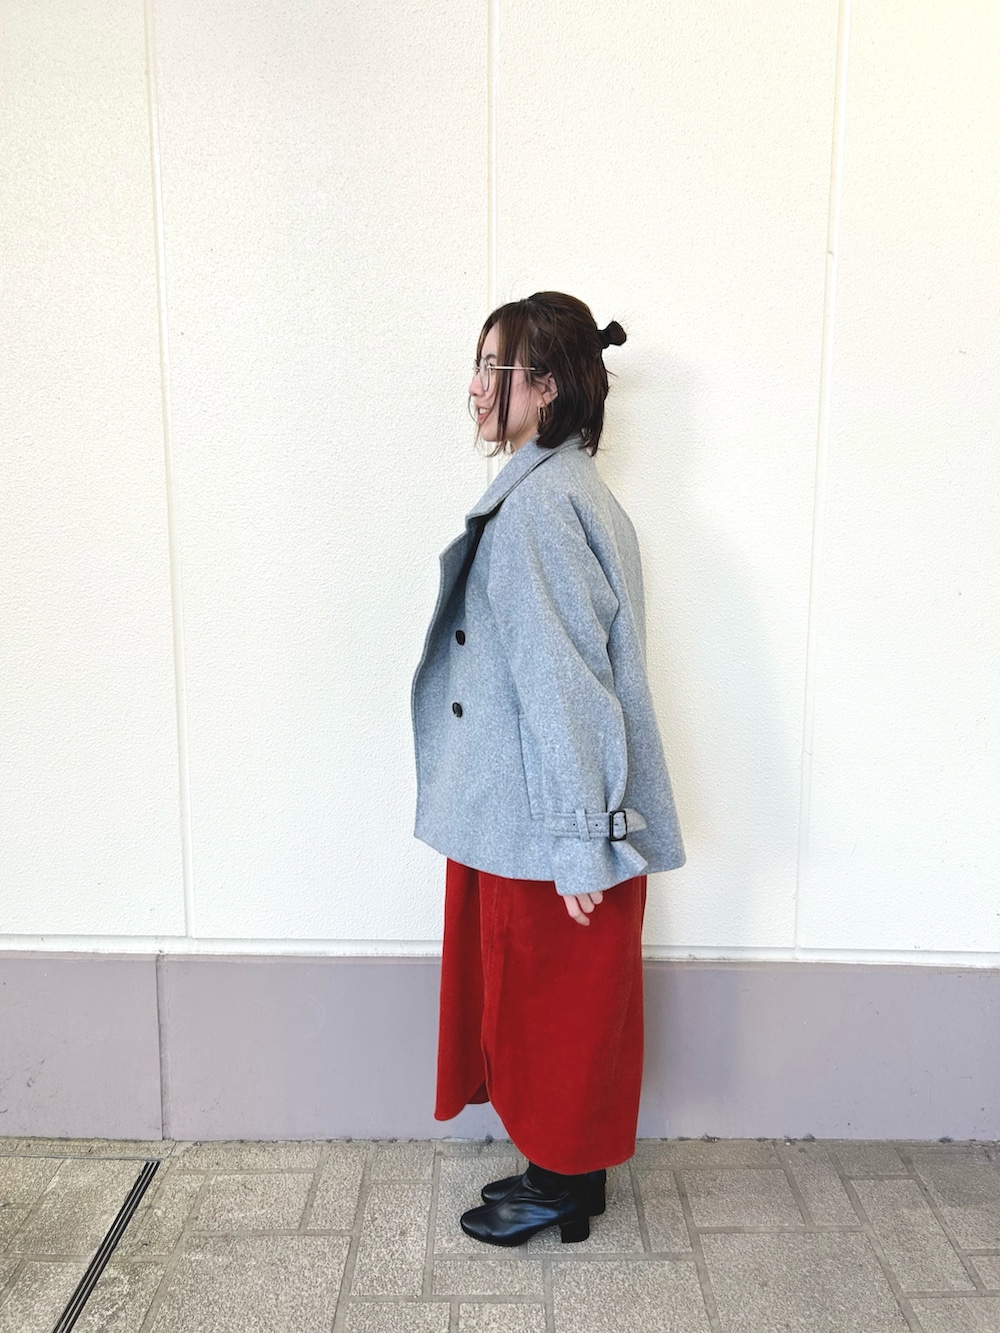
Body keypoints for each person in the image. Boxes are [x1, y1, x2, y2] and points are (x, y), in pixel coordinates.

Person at [411, 291, 685, 1246]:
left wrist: (578, 834)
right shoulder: (566, 489)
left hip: (547, 815)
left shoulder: (538, 509)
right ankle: (566, 1175)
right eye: (479, 365)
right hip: (537, 803)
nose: (476, 388)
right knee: (559, 998)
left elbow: (565, 680)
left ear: (546, 388)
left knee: (552, 1000)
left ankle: (564, 1187)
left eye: (494, 369)